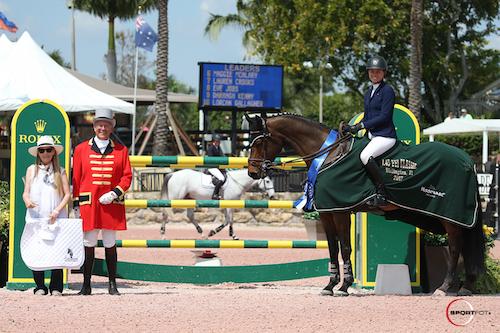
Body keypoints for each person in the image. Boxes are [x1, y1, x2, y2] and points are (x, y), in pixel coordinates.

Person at [72, 109, 132, 295]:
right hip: (89, 204)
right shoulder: (81, 149)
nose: (102, 128)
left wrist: (114, 193)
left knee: (109, 243)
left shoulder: (121, 151)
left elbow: (127, 176)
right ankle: (86, 284)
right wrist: (76, 204)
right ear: (94, 126)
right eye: (99, 124)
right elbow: (77, 178)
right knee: (88, 243)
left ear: (112, 127)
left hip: (110, 204)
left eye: (106, 124)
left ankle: (112, 284)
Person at [342, 55, 396, 206]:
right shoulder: (368, 93)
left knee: (365, 156)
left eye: (378, 72)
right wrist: (352, 127)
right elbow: (367, 116)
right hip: (371, 135)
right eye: (371, 72)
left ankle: (381, 193)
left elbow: (385, 117)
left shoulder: (388, 91)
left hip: (385, 136)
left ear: (383, 73)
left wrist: (361, 126)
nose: (374, 74)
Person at [22, 135, 71, 295]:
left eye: (48, 150)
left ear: (54, 152)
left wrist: (57, 210)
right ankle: (40, 286)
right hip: (36, 216)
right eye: (42, 150)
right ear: (37, 153)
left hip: (56, 216)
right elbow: (25, 192)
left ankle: (56, 286)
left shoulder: (61, 171)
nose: (45, 153)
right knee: (38, 250)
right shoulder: (31, 170)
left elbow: (67, 194)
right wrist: (27, 201)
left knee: (57, 249)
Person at [206, 134, 227, 199]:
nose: (218, 142)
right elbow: (211, 159)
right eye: (217, 141)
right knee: (221, 178)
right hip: (212, 167)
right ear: (214, 141)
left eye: (219, 141)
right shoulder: (211, 148)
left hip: (218, 167)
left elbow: (222, 156)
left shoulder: (218, 148)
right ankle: (215, 194)